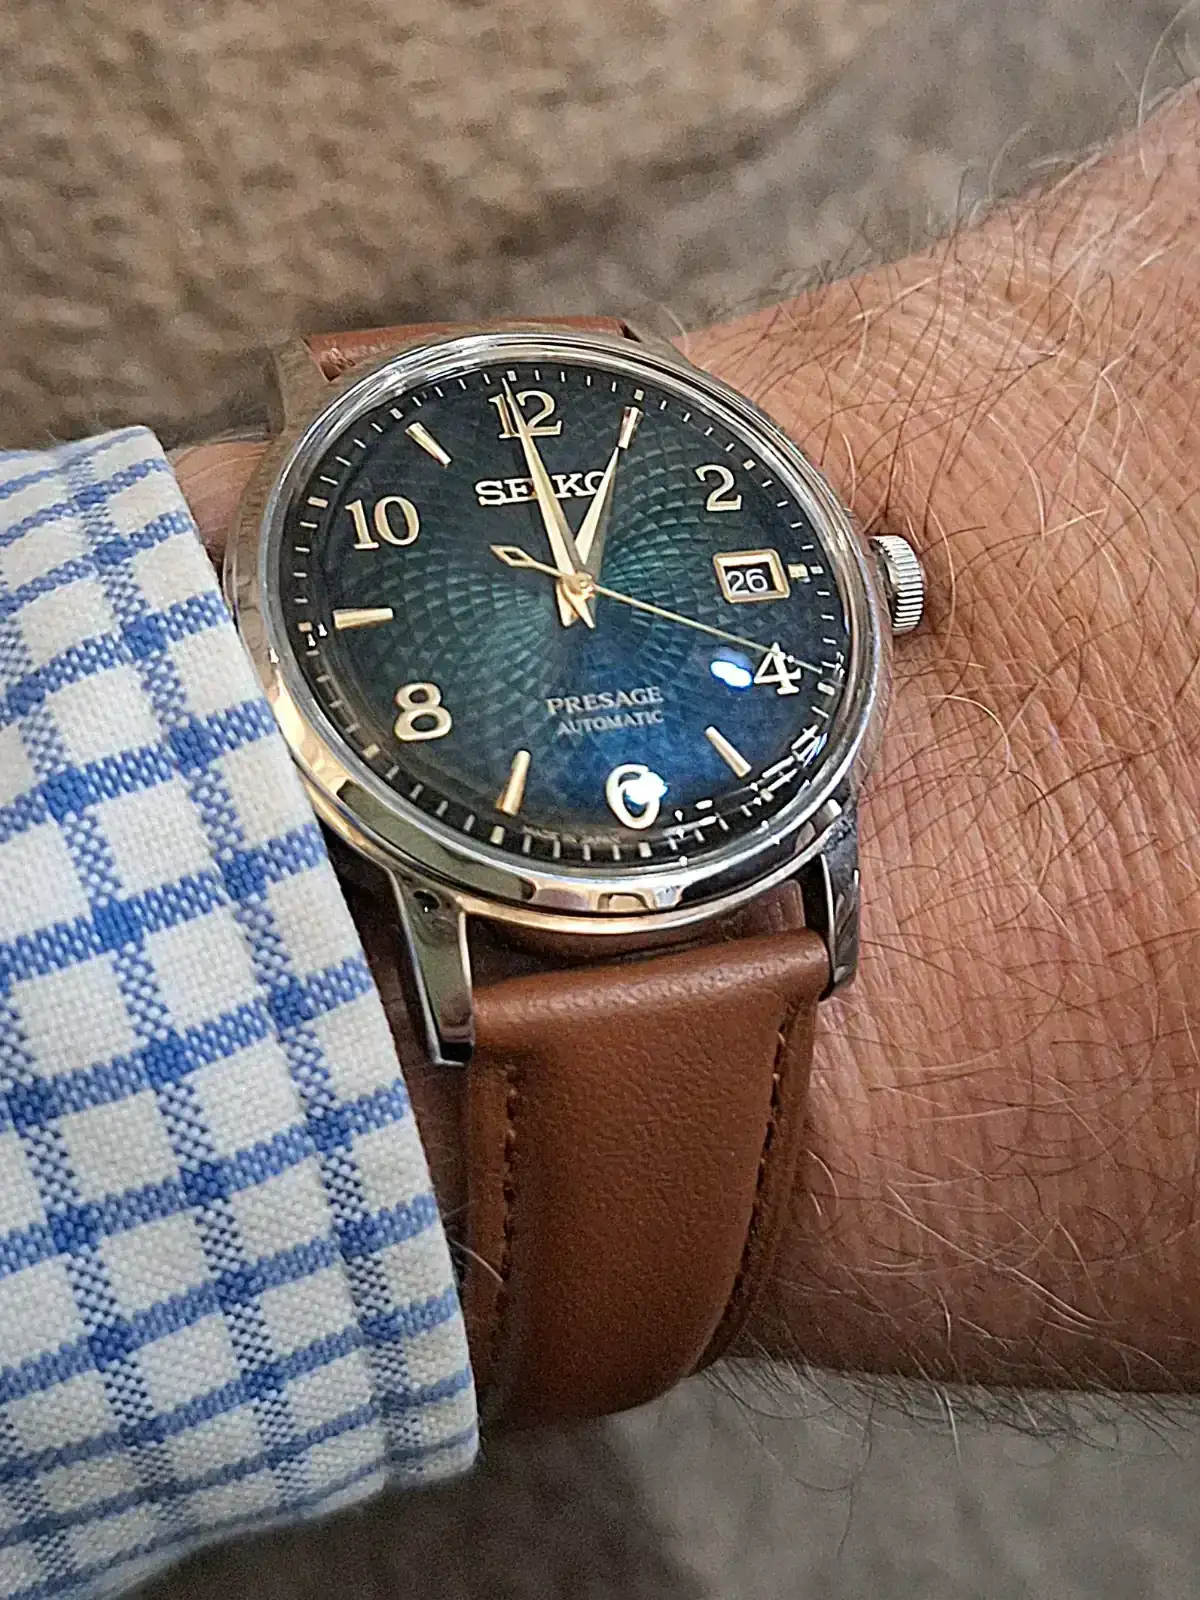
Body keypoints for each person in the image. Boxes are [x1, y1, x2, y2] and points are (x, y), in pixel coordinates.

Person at [3, 78, 1200, 1599]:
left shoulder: (809, 784)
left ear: (878, 581)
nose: (577, 595)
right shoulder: (343, 657)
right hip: (457, 873)